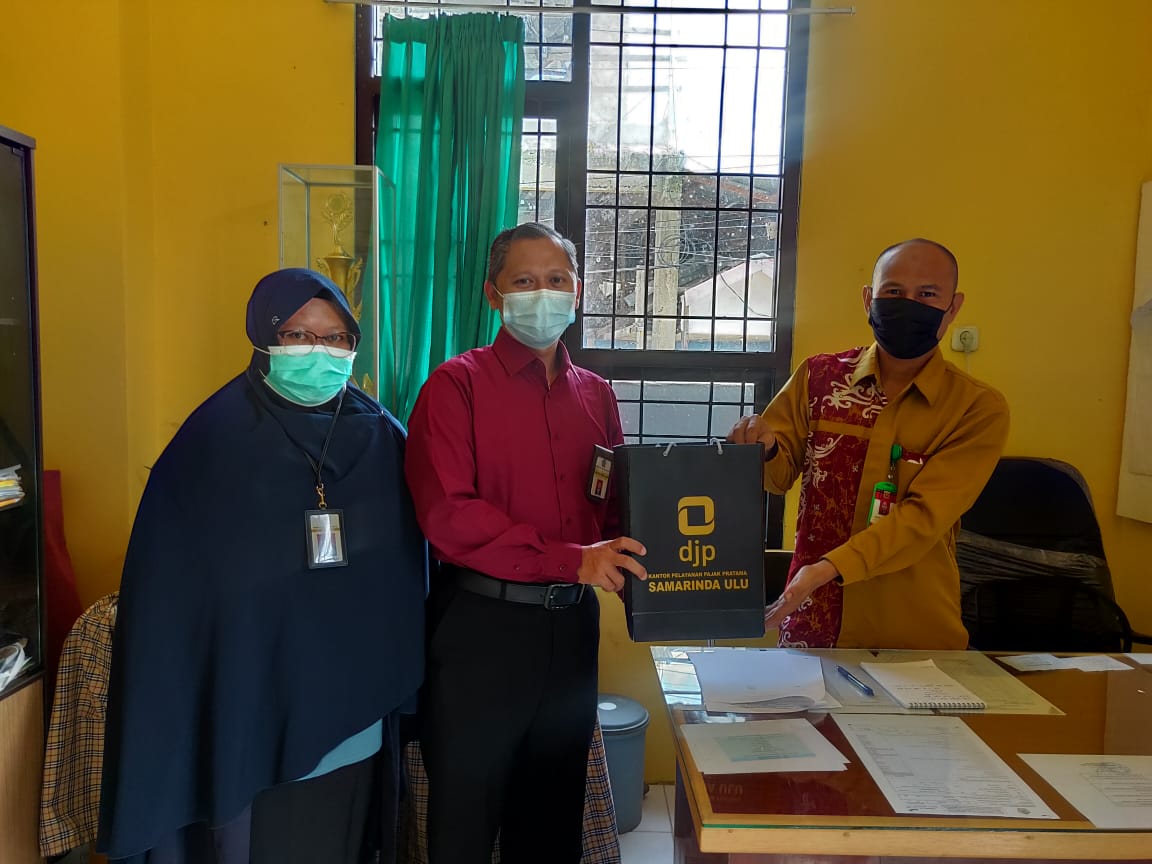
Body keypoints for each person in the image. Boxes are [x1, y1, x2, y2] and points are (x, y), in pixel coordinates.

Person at [98, 268, 427, 864]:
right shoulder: (211, 441)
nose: (318, 351)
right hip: (249, 697)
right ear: (263, 338)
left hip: (353, 703)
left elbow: (411, 570)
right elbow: (171, 587)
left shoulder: (385, 437)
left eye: (335, 338)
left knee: (341, 839)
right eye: (297, 335)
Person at [404, 222, 647, 864]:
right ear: (494, 295)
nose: (543, 293)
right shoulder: (455, 386)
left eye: (557, 278)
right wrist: (573, 560)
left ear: (578, 290)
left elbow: (618, 510)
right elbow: (449, 516)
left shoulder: (596, 395)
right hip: (481, 630)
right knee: (463, 821)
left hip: (571, 632)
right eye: (524, 280)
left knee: (552, 820)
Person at [729, 238, 1009, 649]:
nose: (908, 304)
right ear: (868, 299)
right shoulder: (818, 378)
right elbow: (777, 478)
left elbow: (922, 520)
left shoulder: (975, 408)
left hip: (911, 631)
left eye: (927, 294)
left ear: (953, 307)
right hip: (812, 620)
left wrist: (828, 568)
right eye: (893, 291)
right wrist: (766, 446)